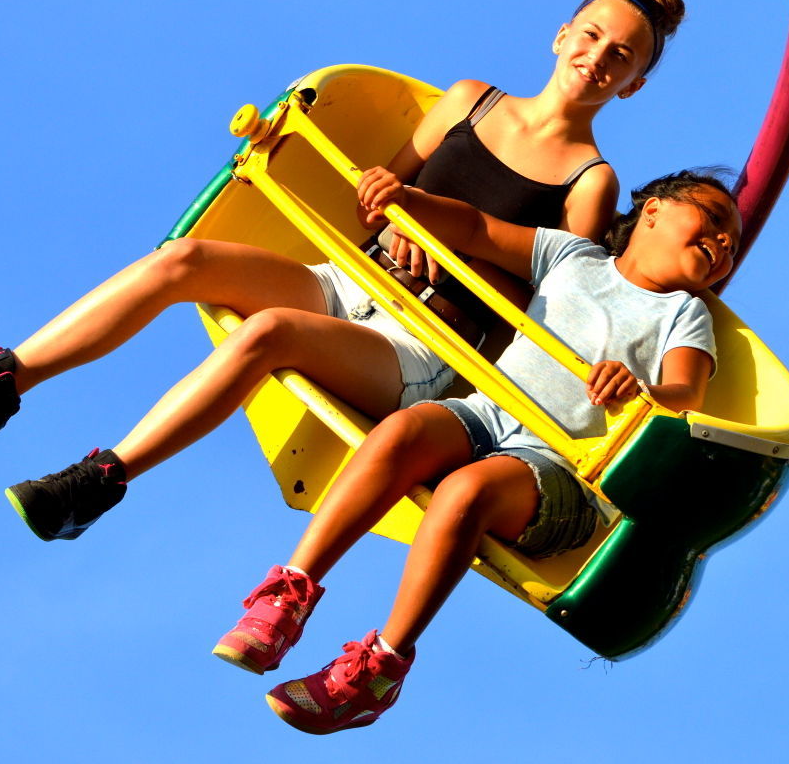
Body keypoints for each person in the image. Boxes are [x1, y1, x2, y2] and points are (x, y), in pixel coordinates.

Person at [0, 0, 685, 543]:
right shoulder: (468, 99)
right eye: (591, 35)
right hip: (350, 281)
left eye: (620, 55)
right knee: (182, 259)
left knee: (267, 333)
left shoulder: (590, 181)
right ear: (560, 33)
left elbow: (546, 297)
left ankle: (97, 482)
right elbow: (378, 194)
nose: (597, 56)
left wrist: (444, 250)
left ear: (633, 85)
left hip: (423, 345)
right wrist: (388, 207)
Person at [213, 166, 741, 735]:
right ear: (653, 210)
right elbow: (474, 228)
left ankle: (380, 667)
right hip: (488, 415)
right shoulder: (572, 257)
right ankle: (289, 592)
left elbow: (686, 393)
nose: (721, 243)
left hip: (559, 464)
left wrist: (640, 391)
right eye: (713, 219)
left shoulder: (684, 314)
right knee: (403, 431)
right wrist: (407, 198)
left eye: (731, 245)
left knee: (466, 491)